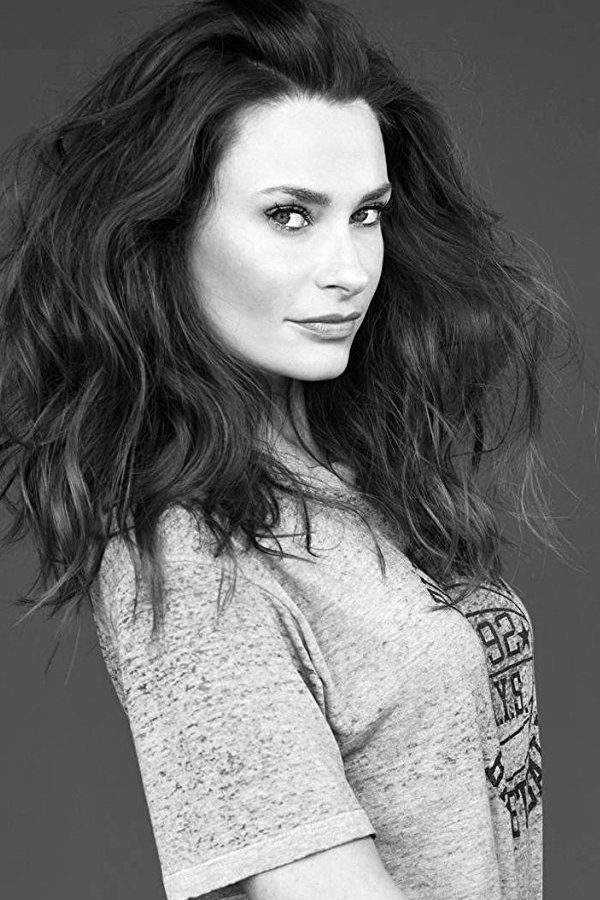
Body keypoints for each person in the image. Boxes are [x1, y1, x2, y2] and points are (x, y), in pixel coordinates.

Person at [0, 0, 580, 898]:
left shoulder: (353, 475)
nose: (350, 270)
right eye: (289, 215)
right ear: (165, 232)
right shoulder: (194, 559)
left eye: (367, 214)